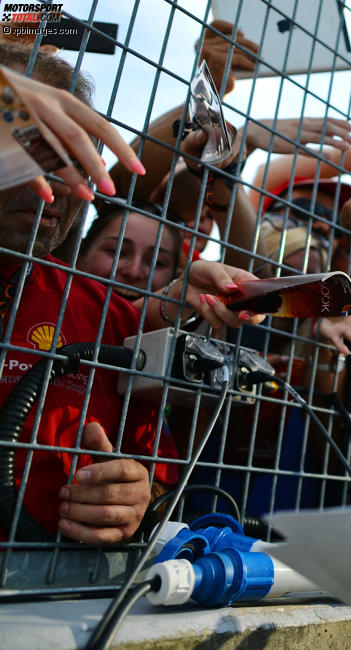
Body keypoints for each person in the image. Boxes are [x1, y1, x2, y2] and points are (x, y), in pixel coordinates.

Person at [0, 44, 260, 545]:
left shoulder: (104, 317)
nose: (54, 183)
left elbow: (155, 478)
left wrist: (132, 498)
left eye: (76, 160)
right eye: (30, 149)